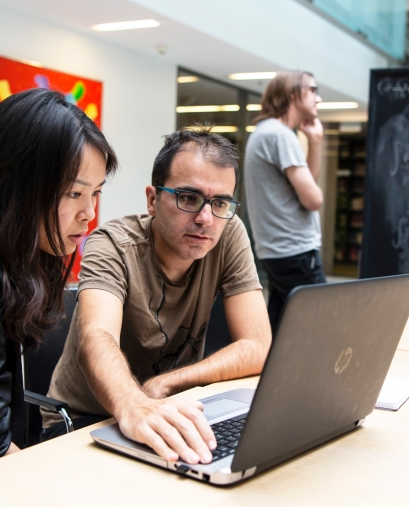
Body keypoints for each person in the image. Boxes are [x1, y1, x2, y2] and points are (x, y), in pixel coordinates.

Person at [43, 127, 271, 465]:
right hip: (86, 421)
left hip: (172, 408)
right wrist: (136, 404)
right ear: (153, 200)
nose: (206, 218)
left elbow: (257, 346)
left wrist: (163, 385)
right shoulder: (112, 245)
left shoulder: (228, 232)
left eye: (220, 202)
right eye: (188, 198)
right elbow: (96, 336)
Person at [0, 88, 118, 478]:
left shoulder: (8, 249)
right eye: (74, 193)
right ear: (20, 184)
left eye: (96, 193)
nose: (90, 214)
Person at [244, 70, 326, 330]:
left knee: (279, 332)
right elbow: (313, 199)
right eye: (313, 90)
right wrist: (316, 194)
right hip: (296, 251)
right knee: (323, 328)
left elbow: (303, 186)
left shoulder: (265, 132)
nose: (318, 98)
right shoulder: (280, 135)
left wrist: (315, 141)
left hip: (278, 251)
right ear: (293, 94)